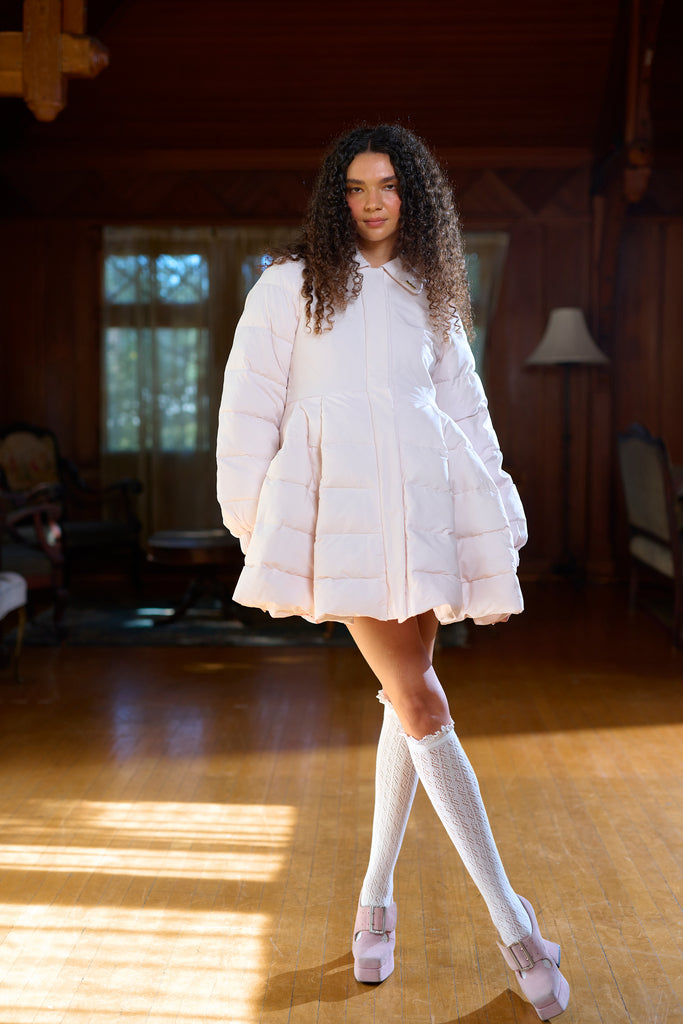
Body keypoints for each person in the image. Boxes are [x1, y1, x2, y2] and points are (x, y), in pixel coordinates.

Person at [216, 124, 570, 1020]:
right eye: (355, 187)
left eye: (387, 185)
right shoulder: (286, 284)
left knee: (404, 702)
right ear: (334, 199)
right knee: (422, 703)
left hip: (423, 509)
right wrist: (254, 518)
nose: (371, 202)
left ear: (412, 195)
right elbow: (248, 403)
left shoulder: (430, 290)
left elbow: (465, 408)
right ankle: (514, 921)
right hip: (337, 513)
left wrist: (495, 510)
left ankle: (374, 904)